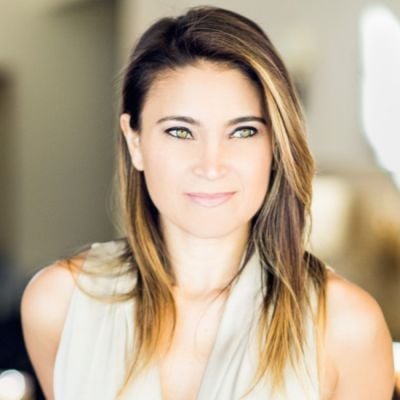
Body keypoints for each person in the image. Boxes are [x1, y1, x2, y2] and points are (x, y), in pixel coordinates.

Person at [20, 5, 395, 400]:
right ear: (136, 143)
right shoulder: (60, 304)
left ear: (275, 147)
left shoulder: (346, 325)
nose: (211, 165)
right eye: (181, 131)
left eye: (244, 131)